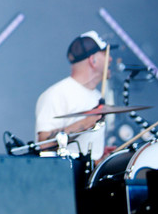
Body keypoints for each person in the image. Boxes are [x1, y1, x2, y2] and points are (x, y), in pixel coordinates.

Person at [35, 31, 117, 161]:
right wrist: (87, 122)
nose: (110, 59)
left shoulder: (97, 96)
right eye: (105, 54)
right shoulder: (56, 94)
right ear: (93, 60)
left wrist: (99, 154)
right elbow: (44, 144)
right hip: (67, 173)